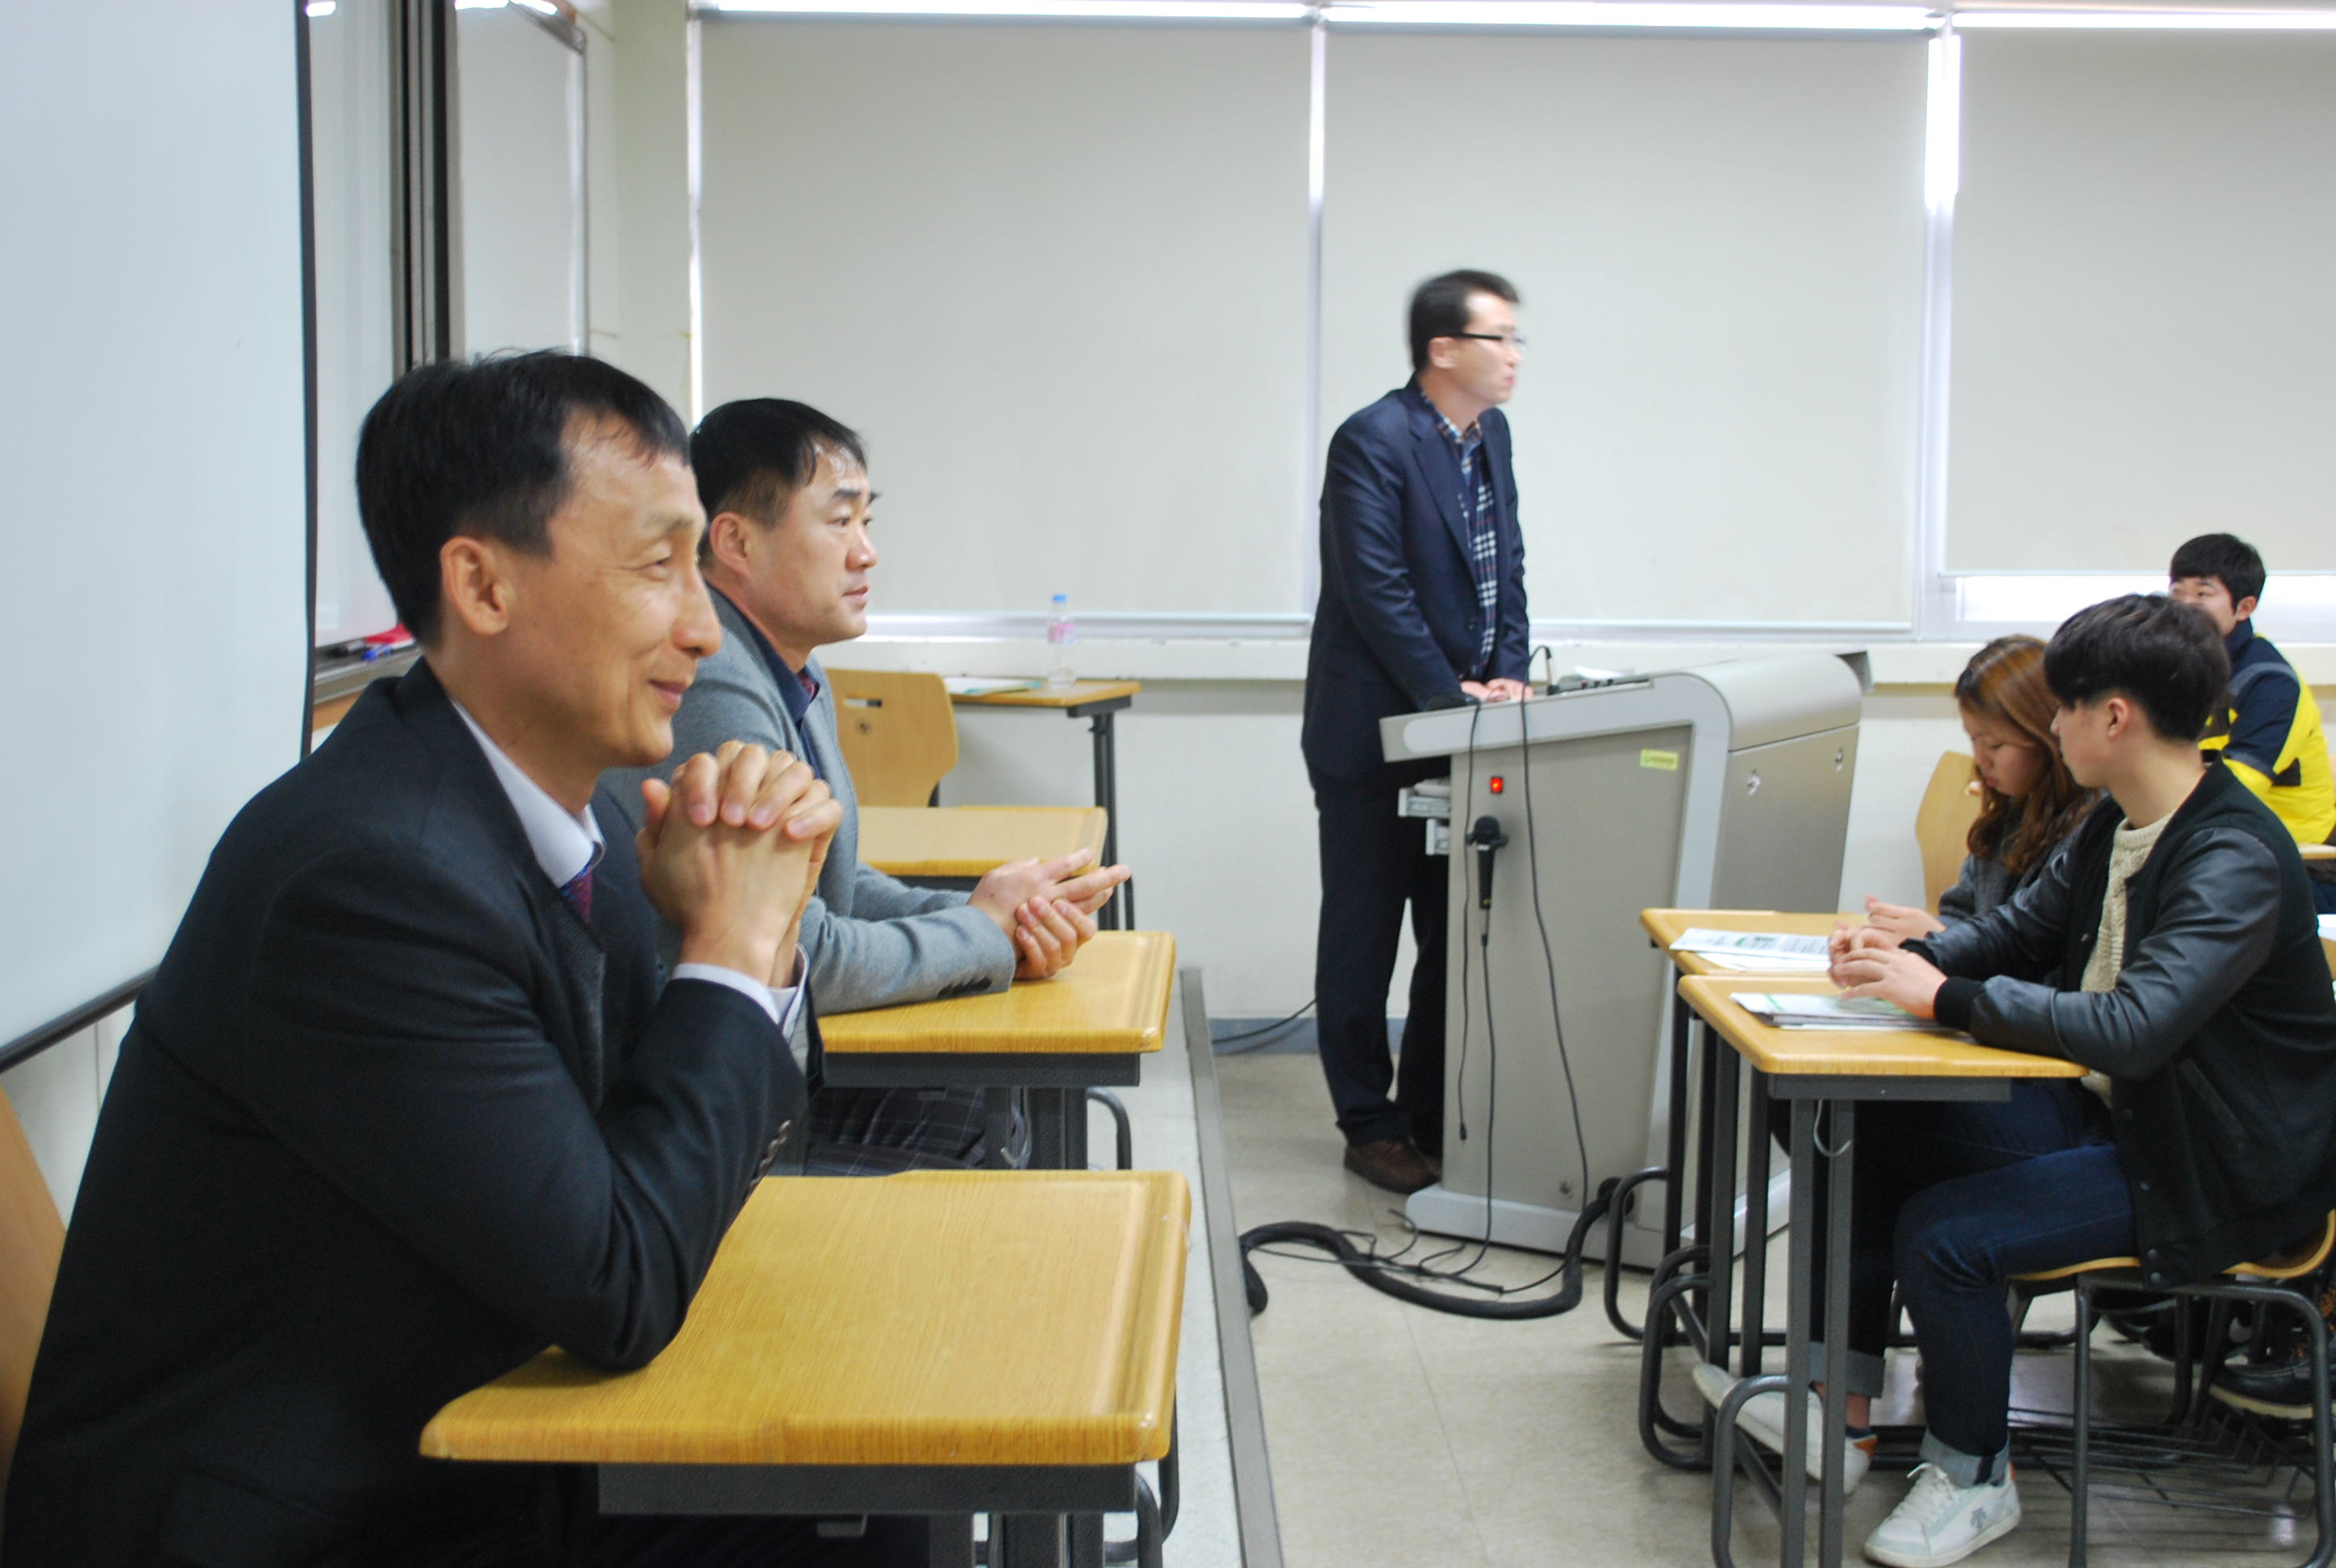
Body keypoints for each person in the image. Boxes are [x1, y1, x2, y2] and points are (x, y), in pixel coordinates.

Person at [2, 353, 927, 1566]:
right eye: (657, 568)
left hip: (466, 1421)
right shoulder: (368, 879)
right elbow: (621, 1281)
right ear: (483, 584)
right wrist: (735, 948)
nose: (705, 629)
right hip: (309, 1518)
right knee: (853, 1505)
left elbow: (674, 1170)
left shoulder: (575, 816)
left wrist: (753, 939)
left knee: (873, 1472)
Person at [1703, 594, 2336, 1568]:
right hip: (2121, 1122)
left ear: (2112, 717)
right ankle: (1840, 1412)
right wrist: (1902, 959)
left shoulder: (2231, 856)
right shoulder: (2116, 822)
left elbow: (2134, 1029)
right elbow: (2014, 933)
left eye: (2065, 707)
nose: (2053, 726)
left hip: (2208, 1167)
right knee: (1849, 1124)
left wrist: (1944, 995)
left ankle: (1972, 1476)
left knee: (1948, 1237)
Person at [604, 398, 1128, 1173]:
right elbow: (795, 944)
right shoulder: (714, 678)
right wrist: (982, 933)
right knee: (978, 1127)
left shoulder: (790, 662)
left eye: (867, 522)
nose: (867, 553)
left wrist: (995, 918)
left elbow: (835, 885)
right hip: (708, 1100)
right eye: (840, 522)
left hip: (764, 1059)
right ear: (737, 541)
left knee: (985, 1105)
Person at [1302, 269, 1532, 1195]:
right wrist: (1448, 694)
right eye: (1498, 338)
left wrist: (1509, 671)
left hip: (1463, 730)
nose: (1515, 357)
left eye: (1516, 339)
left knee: (1452, 935)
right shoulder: (1372, 438)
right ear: (1444, 349)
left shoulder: (1491, 436)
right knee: (1363, 935)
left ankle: (1433, 1114)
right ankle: (1367, 1123)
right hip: (1372, 732)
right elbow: (1375, 590)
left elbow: (1505, 565)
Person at [1863, 635, 2099, 939]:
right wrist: (1902, 933)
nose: (1980, 759)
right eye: (1973, 740)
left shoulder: (2089, 831)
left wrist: (1938, 937)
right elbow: (1961, 913)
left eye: (1995, 745)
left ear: (2046, 736)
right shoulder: (2009, 816)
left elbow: (2042, 954)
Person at [2167, 532, 2336, 911]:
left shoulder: (2270, 682)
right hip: (2221, 845)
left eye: (2202, 594)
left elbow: (2238, 788)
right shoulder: (2179, 669)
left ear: (2244, 608)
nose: (2184, 606)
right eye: (2177, 592)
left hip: (2299, 862)